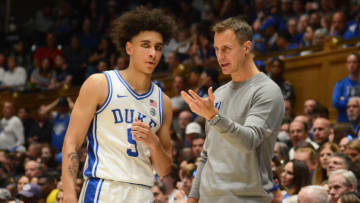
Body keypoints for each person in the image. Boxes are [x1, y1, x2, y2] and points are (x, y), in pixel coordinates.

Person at [62, 6, 176, 203]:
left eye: (158, 47)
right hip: (104, 188)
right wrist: (70, 196)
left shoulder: (163, 102)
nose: (152, 53)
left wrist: (153, 144)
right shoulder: (100, 84)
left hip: (143, 193)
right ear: (129, 48)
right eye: (145, 45)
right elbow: (72, 142)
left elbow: (164, 170)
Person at [181, 17, 285, 202]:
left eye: (226, 49)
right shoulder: (219, 93)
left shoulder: (267, 91)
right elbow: (207, 153)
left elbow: (249, 141)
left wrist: (214, 116)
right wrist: (193, 197)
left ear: (246, 47)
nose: (220, 57)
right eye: (217, 49)